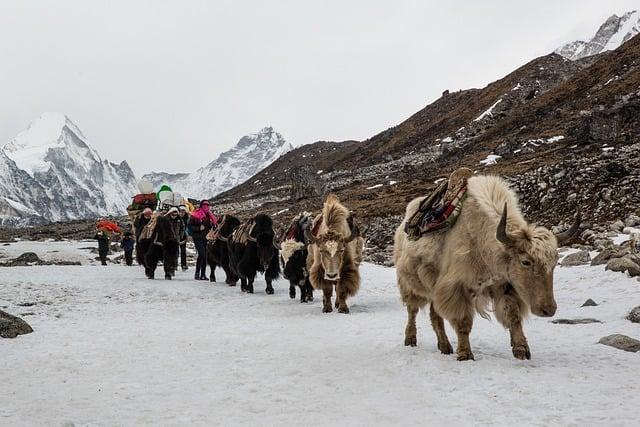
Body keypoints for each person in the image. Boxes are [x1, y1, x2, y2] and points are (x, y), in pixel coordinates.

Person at [187, 200, 217, 280]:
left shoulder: (209, 215)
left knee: (204, 256)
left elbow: (211, 226)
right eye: (204, 205)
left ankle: (202, 275)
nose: (206, 206)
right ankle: (197, 273)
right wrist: (198, 228)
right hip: (197, 237)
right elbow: (189, 226)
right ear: (201, 205)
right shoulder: (195, 214)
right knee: (202, 254)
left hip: (206, 238)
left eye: (207, 205)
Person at [165, 207, 185, 277]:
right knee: (167, 256)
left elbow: (182, 228)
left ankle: (172, 268)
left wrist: (180, 236)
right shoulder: (166, 220)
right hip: (167, 240)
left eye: (176, 215)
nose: (174, 216)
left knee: (175, 255)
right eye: (173, 215)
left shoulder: (180, 220)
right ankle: (167, 272)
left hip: (176, 240)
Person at [178, 205, 189, 271]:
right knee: (175, 251)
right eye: (180, 211)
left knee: (183, 251)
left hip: (183, 236)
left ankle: (183, 265)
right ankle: (174, 264)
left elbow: (188, 228)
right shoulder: (176, 218)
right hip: (175, 236)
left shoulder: (187, 219)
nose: (182, 213)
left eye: (183, 212)